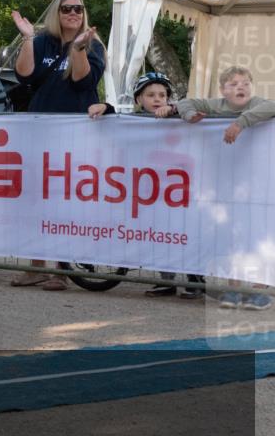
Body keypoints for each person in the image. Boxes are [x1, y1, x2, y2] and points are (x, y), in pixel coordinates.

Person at [11, 0, 105, 291]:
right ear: (57, 12)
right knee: (36, 200)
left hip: (76, 134)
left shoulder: (94, 45)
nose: (73, 13)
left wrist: (77, 50)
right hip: (40, 130)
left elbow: (82, 81)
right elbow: (24, 75)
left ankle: (60, 271)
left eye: (78, 8)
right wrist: (27, 39)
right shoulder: (42, 42)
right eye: (67, 8)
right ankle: (35, 266)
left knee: (65, 203)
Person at [89, 71, 205, 299]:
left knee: (183, 233)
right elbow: (116, 121)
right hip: (147, 191)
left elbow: (189, 108)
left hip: (177, 190)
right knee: (158, 234)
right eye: (150, 95)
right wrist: (105, 106)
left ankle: (195, 280)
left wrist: (173, 109)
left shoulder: (176, 115)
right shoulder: (135, 122)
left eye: (162, 95)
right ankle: (167, 281)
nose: (157, 99)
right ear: (138, 100)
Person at [168, 66, 275, 310]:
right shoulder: (216, 105)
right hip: (227, 186)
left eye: (246, 83)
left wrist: (241, 122)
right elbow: (186, 102)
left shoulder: (258, 103)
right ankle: (234, 288)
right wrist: (189, 115)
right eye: (234, 83)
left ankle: (258, 291)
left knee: (258, 237)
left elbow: (272, 106)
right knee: (233, 236)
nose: (241, 87)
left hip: (260, 186)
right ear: (222, 90)